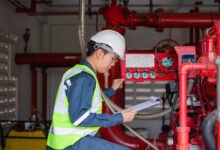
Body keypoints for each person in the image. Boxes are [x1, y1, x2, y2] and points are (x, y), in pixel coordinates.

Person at [47, 30, 137, 150]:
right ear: (99, 53)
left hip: (69, 141)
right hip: (70, 143)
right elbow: (79, 117)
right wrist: (120, 118)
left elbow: (90, 99)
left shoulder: (82, 73)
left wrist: (112, 89)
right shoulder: (84, 78)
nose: (113, 64)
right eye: (113, 59)